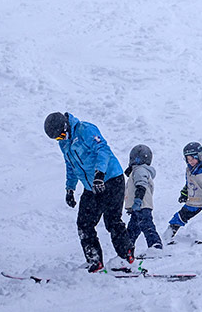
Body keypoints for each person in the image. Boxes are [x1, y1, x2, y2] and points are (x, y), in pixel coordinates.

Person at [43, 111, 134, 272]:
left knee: (112, 220)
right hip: (90, 187)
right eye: (57, 138)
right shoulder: (64, 143)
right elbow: (70, 165)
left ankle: (126, 258)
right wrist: (70, 188)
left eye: (61, 135)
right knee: (84, 224)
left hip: (111, 179)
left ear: (66, 126)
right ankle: (94, 261)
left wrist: (100, 174)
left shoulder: (85, 130)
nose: (61, 139)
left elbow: (103, 150)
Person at [124, 144, 163, 252]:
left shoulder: (139, 170)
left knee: (146, 225)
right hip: (138, 206)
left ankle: (155, 246)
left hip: (141, 205)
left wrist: (138, 200)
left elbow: (141, 185)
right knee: (132, 230)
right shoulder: (138, 171)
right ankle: (127, 251)